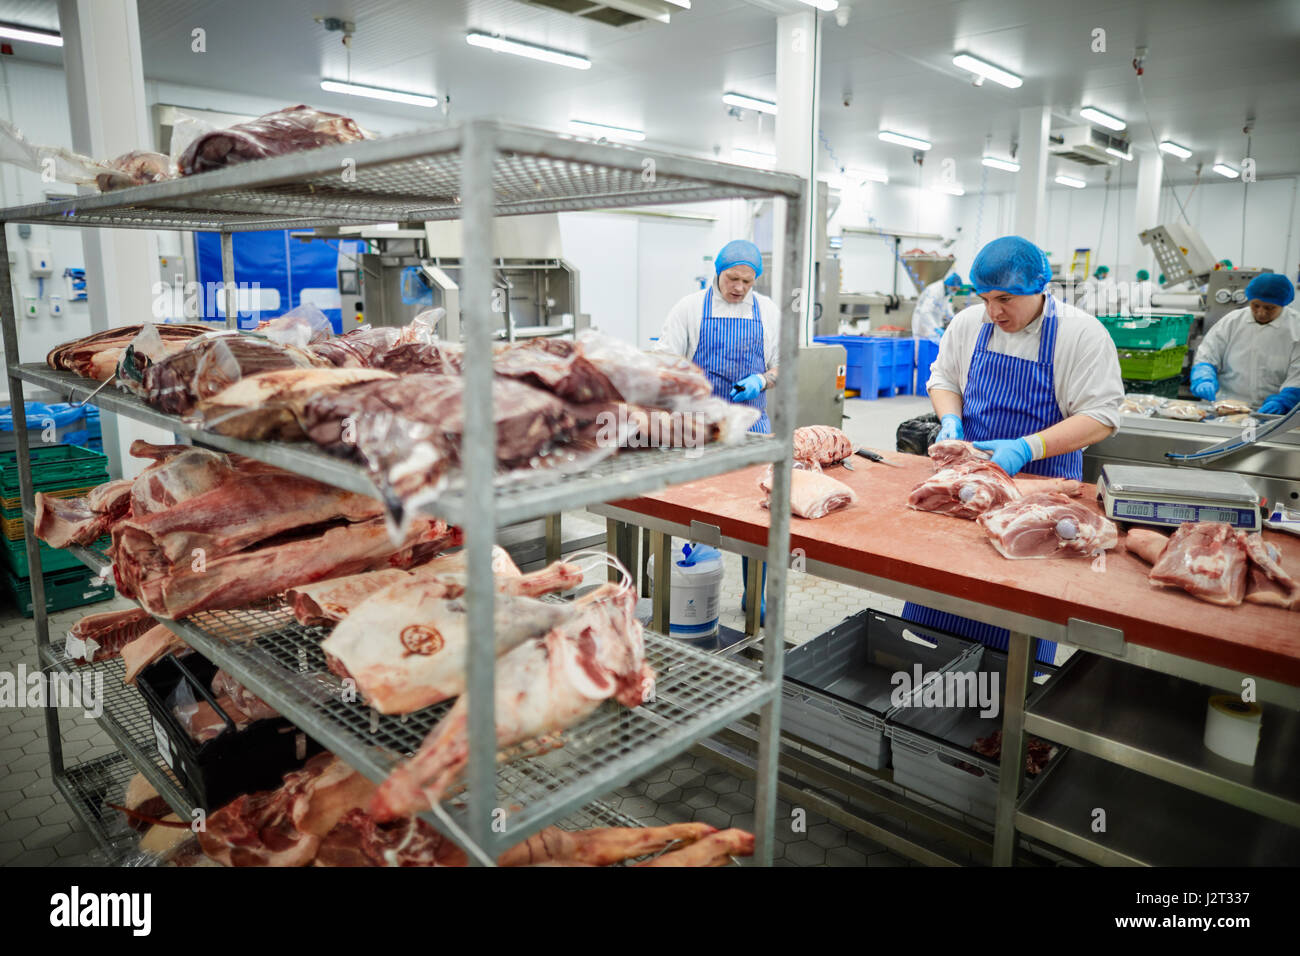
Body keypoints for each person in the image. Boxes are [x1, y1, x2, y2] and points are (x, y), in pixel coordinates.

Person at [911, 236, 1125, 662]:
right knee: (942, 598)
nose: (993, 311)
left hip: (1043, 499)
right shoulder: (969, 324)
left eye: (1005, 299)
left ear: (1039, 287)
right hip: (967, 488)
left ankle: (1014, 703)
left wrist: (1028, 447)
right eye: (985, 298)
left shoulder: (1081, 334)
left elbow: (1102, 415)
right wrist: (950, 419)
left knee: (1021, 612)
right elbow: (944, 380)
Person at [654, 238, 780, 619]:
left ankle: (754, 593)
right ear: (717, 273)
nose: (739, 288)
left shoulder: (769, 312)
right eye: (732, 278)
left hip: (751, 428)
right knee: (696, 508)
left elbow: (782, 366)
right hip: (699, 430)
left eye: (747, 281)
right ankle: (683, 583)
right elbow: (665, 364)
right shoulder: (690, 308)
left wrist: (762, 380)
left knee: (754, 514)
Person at [1189, 273, 1300, 413]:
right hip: (1226, 407)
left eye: (1269, 308)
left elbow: (1298, 375)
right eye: (1256, 305)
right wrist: (1203, 377)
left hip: (1274, 412)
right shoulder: (1232, 321)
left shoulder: (1296, 329)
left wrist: (1285, 401)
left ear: (1283, 304)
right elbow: (1207, 354)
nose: (1261, 313)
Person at [912, 272, 962, 340]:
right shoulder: (935, 291)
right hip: (922, 322)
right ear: (948, 285)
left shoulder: (946, 292)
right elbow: (925, 311)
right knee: (922, 345)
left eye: (957, 289)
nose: (955, 292)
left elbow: (946, 307)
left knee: (935, 344)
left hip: (934, 322)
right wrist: (935, 328)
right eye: (954, 289)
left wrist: (953, 318)